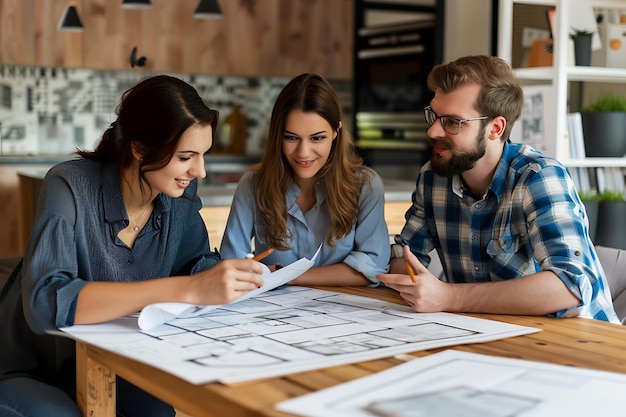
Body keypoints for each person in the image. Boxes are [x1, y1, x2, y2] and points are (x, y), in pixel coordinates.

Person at [0, 75, 265, 417]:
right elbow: (46, 302)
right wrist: (185, 288)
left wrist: (236, 276)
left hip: (109, 357)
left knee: (158, 413)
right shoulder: (69, 185)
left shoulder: (179, 199)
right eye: (186, 156)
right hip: (31, 367)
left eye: (203, 155)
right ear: (139, 149)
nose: (199, 170)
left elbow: (194, 265)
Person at [377, 55, 619, 323]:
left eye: (452, 122)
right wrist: (415, 281)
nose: (433, 131)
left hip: (582, 344)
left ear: (495, 128)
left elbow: (570, 287)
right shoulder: (433, 178)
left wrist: (448, 297)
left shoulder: (539, 177)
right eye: (434, 116)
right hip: (487, 331)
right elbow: (403, 254)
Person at [220, 73, 390, 286]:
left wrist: (287, 277)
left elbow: (373, 267)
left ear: (336, 132)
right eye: (291, 137)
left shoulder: (366, 187)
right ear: (277, 135)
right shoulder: (253, 184)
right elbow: (230, 264)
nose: (303, 152)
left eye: (317, 138)